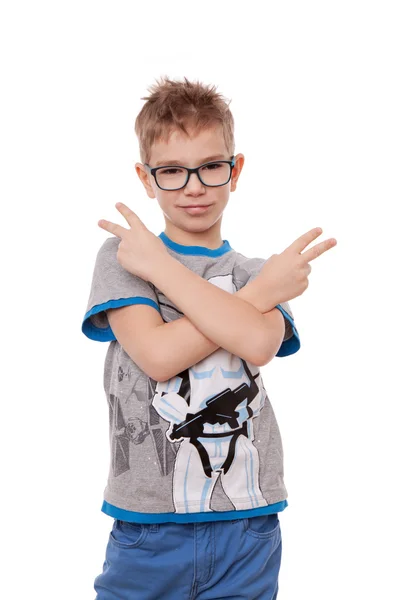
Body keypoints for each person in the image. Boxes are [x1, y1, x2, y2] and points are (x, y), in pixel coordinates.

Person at [82, 77, 337, 600]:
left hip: (249, 522)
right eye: (172, 172)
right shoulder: (127, 257)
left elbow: (259, 344)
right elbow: (156, 356)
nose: (193, 186)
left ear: (235, 170)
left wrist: (251, 288)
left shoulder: (252, 271)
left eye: (210, 166)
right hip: (148, 524)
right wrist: (257, 293)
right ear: (146, 179)